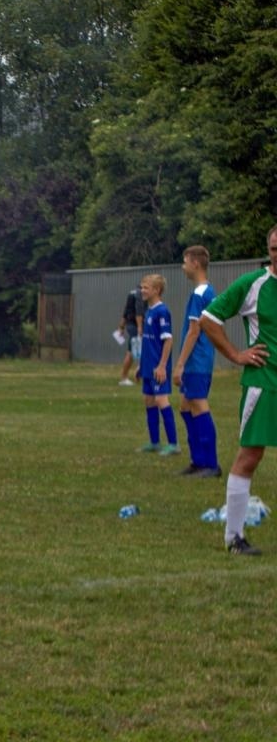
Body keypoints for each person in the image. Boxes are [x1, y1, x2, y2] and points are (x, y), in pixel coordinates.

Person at [194, 225, 277, 556]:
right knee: (251, 455)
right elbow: (208, 318)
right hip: (263, 383)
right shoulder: (253, 285)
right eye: (274, 248)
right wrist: (236, 355)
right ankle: (234, 538)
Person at [172, 246, 220, 477]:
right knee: (185, 405)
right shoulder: (207, 291)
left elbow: (194, 331)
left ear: (195, 264)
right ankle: (198, 461)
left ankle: (210, 464)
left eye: (184, 262)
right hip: (198, 360)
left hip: (197, 361)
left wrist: (180, 363)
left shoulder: (201, 293)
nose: (183, 266)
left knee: (199, 404)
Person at [136, 273, 179, 456]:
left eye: (146, 287)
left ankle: (173, 444)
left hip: (158, 367)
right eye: (142, 287)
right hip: (148, 366)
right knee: (148, 400)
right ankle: (154, 442)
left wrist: (162, 366)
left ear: (157, 290)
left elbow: (168, 341)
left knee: (161, 400)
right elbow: (148, 342)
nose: (142, 290)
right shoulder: (149, 311)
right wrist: (141, 365)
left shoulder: (162, 312)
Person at [119, 285, 143, 385]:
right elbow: (139, 311)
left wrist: (121, 327)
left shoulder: (131, 293)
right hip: (136, 325)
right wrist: (140, 326)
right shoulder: (139, 294)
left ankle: (139, 371)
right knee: (132, 351)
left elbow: (126, 312)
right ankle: (124, 378)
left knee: (134, 350)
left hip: (130, 324)